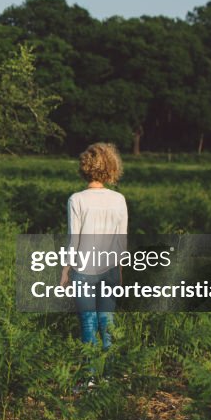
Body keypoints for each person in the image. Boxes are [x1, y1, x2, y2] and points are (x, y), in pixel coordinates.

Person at [60, 142, 127, 370]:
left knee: (88, 324)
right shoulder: (119, 200)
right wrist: (119, 273)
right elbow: (121, 242)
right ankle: (109, 375)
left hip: (83, 270)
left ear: (85, 167)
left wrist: (65, 271)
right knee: (107, 322)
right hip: (110, 269)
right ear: (111, 166)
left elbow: (73, 240)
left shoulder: (76, 199)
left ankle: (88, 378)